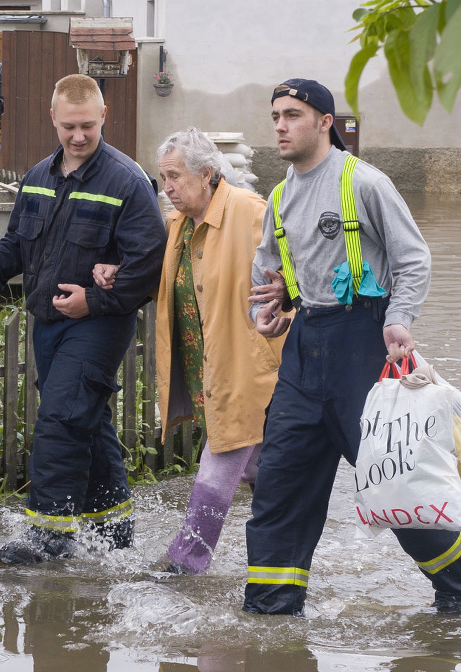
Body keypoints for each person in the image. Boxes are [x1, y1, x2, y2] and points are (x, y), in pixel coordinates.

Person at [243, 78, 461, 615]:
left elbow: (413, 258)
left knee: (395, 483)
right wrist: (265, 309)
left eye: (293, 115)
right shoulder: (280, 196)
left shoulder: (365, 183)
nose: (281, 126)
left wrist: (399, 318)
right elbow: (267, 273)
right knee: (279, 483)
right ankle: (270, 608)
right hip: (305, 348)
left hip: (364, 344)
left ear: (324, 122)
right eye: (275, 117)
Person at [0, 74, 167, 565]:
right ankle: (113, 525)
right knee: (86, 416)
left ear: (104, 117)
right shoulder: (38, 177)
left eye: (87, 125)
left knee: (61, 415)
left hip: (101, 323)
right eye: (69, 127)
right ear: (53, 119)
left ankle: (48, 533)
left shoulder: (127, 183)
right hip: (48, 323)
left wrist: (95, 301)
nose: (78, 136)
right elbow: (17, 247)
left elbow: (150, 263)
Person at [94, 128, 289, 575]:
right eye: (163, 179)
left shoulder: (249, 212)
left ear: (207, 175)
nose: (168, 189)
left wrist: (285, 308)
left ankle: (186, 562)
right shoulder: (181, 225)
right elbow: (161, 275)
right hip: (206, 364)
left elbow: (296, 276)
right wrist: (116, 271)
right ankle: (283, 553)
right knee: (263, 471)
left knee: (220, 459)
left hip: (248, 366)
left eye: (175, 177)